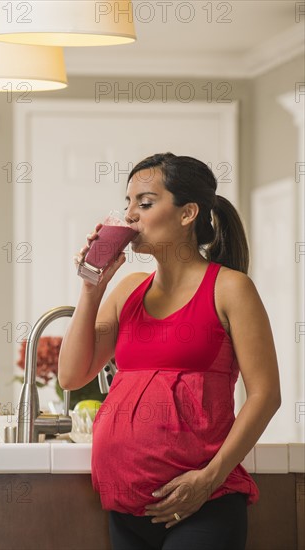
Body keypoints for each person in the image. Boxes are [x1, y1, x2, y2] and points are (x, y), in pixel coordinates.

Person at [58, 152, 281, 550]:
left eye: (144, 203)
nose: (129, 216)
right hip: (127, 510)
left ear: (187, 213)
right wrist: (92, 287)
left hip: (203, 504)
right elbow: (72, 376)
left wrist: (207, 479)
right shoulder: (127, 290)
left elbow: (265, 396)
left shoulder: (230, 289)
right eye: (127, 203)